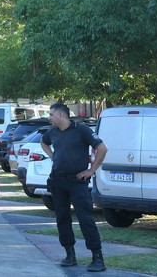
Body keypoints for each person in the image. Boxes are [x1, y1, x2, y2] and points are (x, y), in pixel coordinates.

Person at [41, 102, 108, 272]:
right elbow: (44, 142)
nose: (49, 118)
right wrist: (53, 156)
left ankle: (97, 258)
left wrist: (91, 170)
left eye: (51, 115)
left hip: (77, 182)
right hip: (58, 181)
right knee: (62, 219)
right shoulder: (53, 132)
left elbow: (102, 148)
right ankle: (70, 255)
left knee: (85, 219)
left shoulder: (82, 130)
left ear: (61, 115)